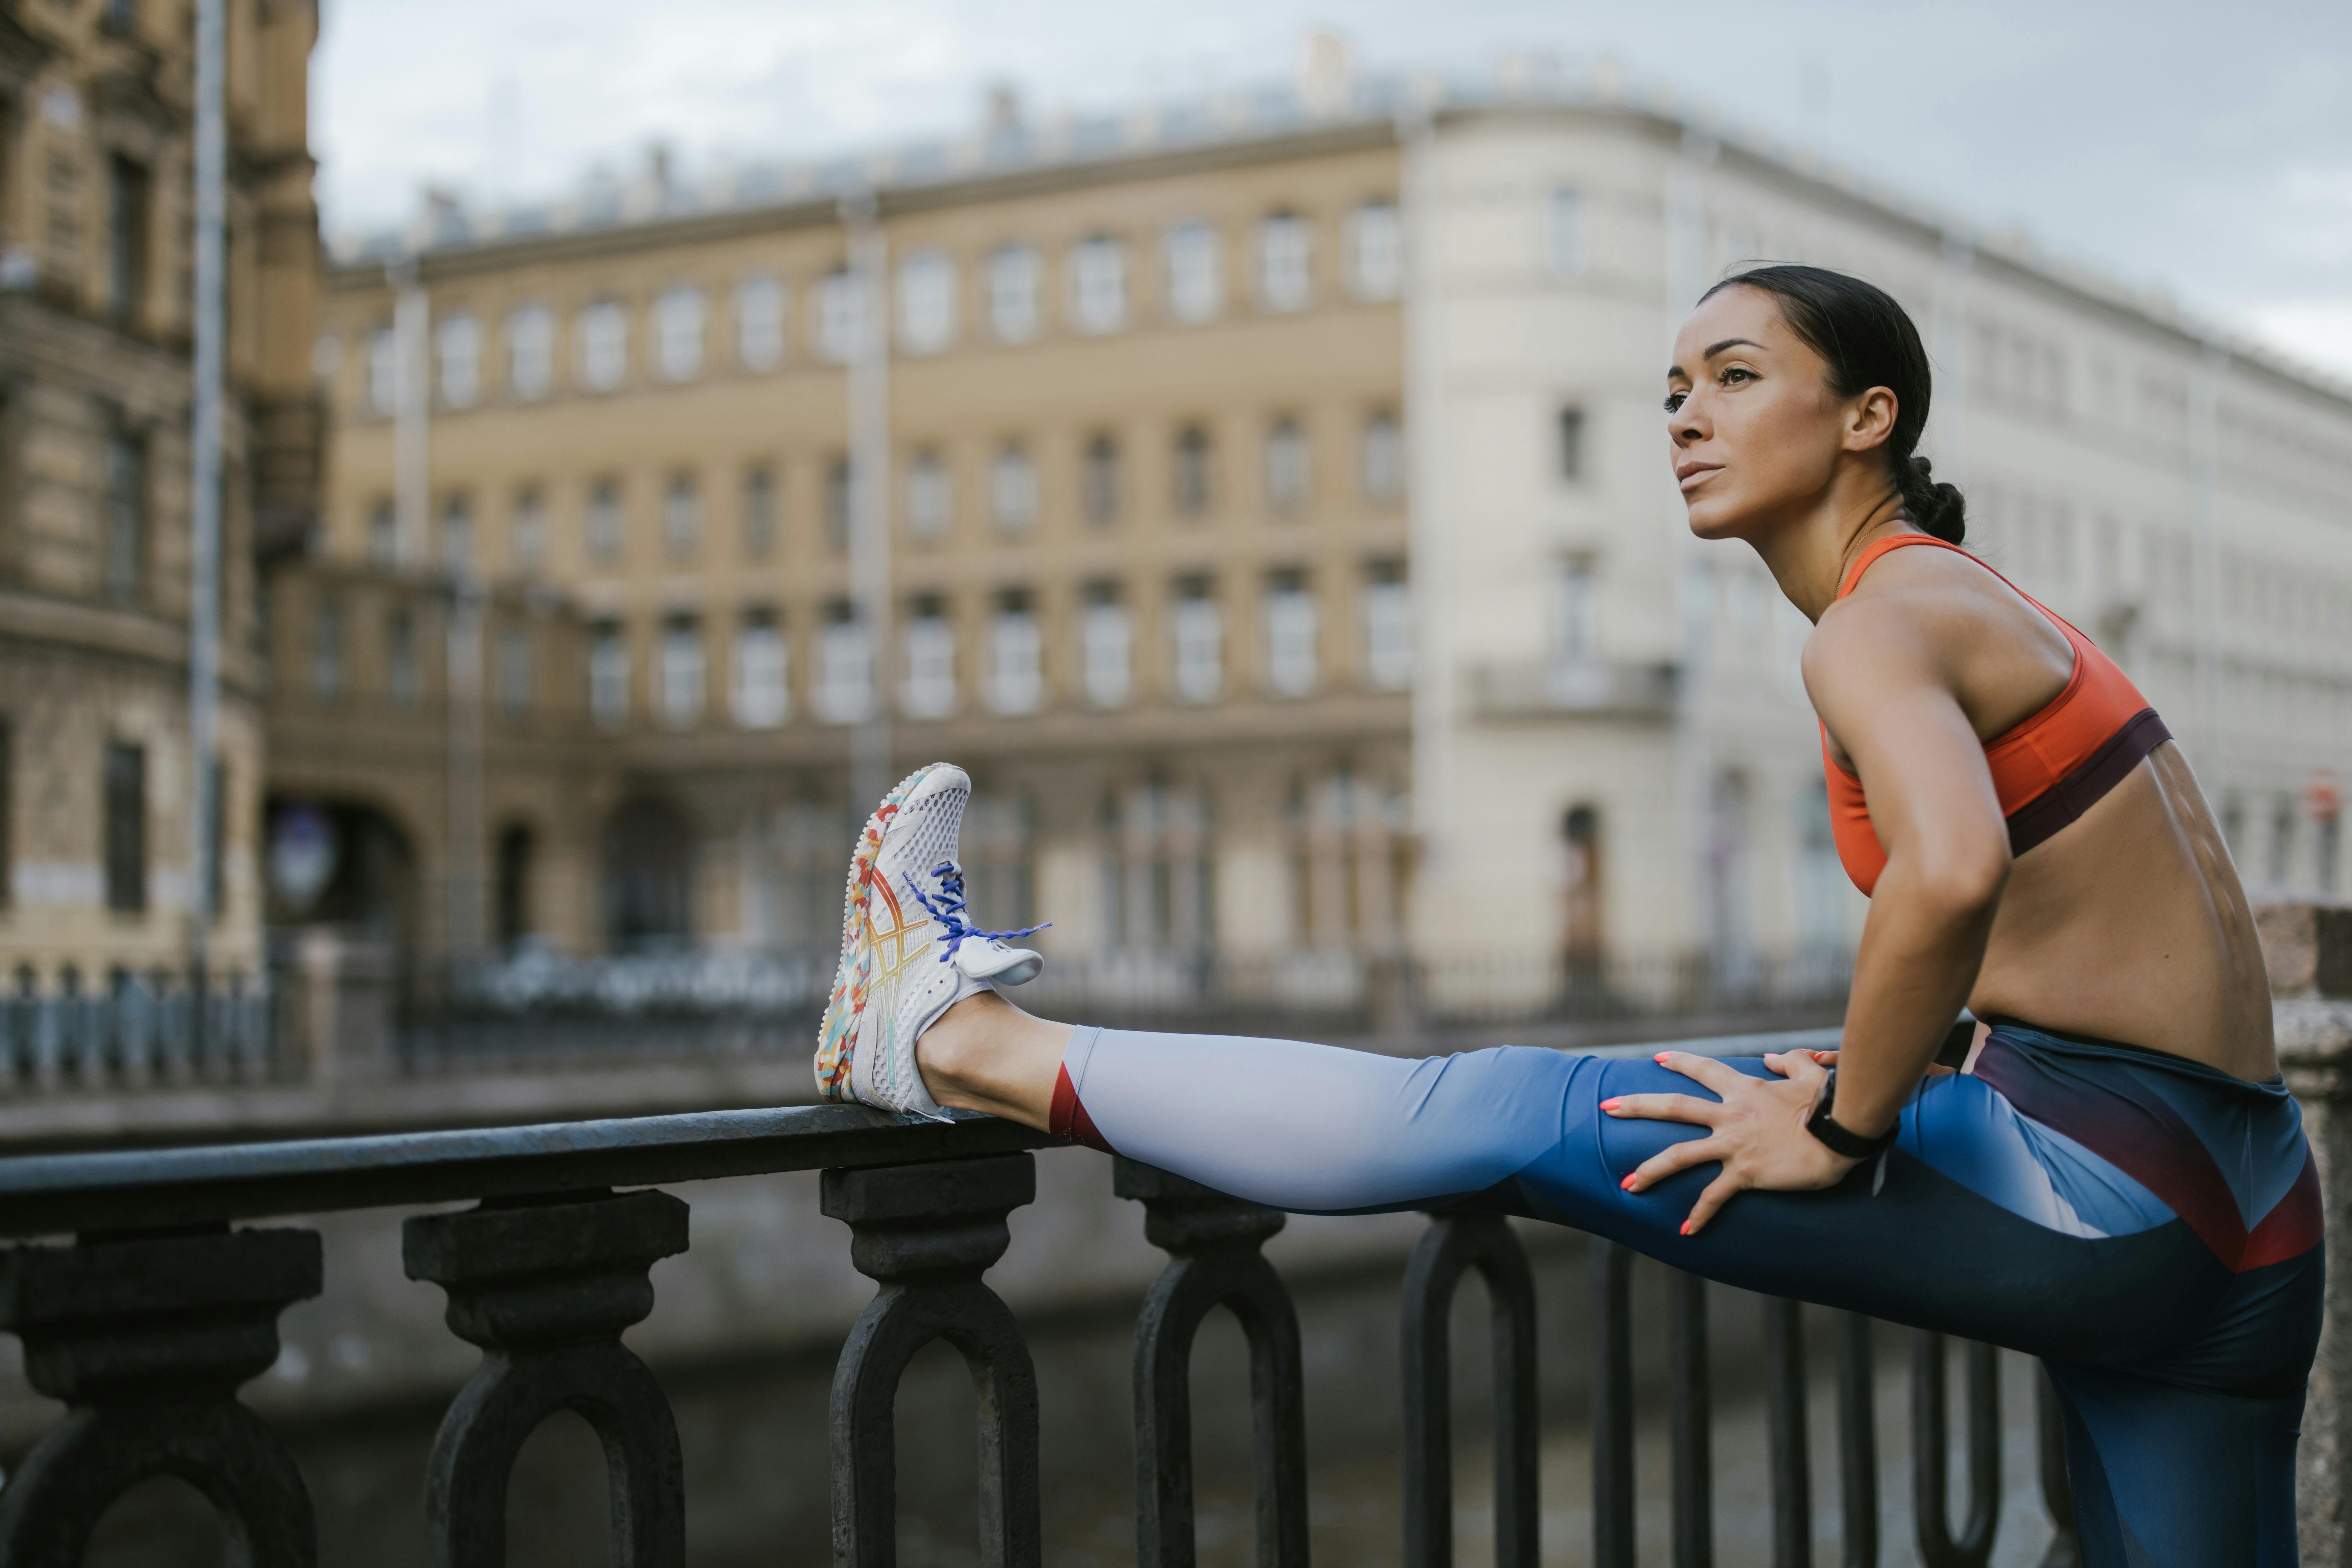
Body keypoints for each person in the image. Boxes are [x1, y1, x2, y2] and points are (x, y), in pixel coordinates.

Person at [811, 265, 2317, 1568]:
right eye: (1671, 387)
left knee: (1499, 1100)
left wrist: (1852, 1127)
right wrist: (1894, 1084)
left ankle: (953, 1038)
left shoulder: (1879, 618)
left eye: (1735, 376)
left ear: (1872, 418)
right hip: (2252, 1196)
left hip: (2108, 1182)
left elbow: (1950, 870)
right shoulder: (1974, 602)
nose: (1683, 415)